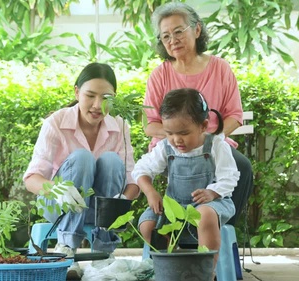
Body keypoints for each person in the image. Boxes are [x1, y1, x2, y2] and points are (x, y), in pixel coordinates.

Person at [23, 62, 139, 278]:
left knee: (112, 161)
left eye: (106, 98)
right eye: (90, 95)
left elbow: (132, 179)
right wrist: (58, 190)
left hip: (100, 208)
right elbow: (32, 178)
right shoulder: (56, 122)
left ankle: (104, 254)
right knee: (82, 158)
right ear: (77, 92)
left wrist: (121, 200)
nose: (97, 105)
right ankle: (66, 249)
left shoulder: (120, 126)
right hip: (58, 204)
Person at [143, 2, 253, 225]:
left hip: (212, 146)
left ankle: (220, 225)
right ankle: (177, 228)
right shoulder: (159, 75)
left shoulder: (220, 68)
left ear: (197, 29)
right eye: (165, 36)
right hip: (172, 149)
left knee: (242, 166)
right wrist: (180, 136)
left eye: (178, 31)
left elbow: (234, 115)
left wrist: (208, 140)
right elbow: (150, 125)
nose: (172, 40)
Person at [133, 88, 240, 275]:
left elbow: (230, 177)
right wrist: (150, 191)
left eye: (183, 133)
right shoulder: (166, 147)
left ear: (203, 125)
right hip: (175, 208)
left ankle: (205, 272)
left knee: (204, 214)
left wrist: (212, 192)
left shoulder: (216, 145)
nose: (176, 140)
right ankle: (174, 268)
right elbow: (141, 169)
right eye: (169, 133)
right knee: (147, 224)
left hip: (212, 204)